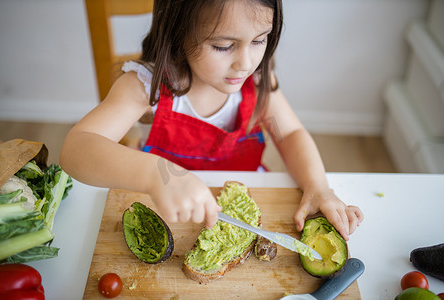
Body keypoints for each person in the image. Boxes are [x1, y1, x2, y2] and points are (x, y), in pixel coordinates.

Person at [60, 0, 363, 240]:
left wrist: (318, 186)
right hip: (168, 213)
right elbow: (76, 149)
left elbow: (291, 133)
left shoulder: (257, 81)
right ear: (179, 30)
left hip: (244, 210)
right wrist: (157, 174)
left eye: (260, 40)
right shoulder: (145, 86)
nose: (245, 63)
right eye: (223, 46)